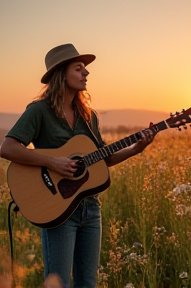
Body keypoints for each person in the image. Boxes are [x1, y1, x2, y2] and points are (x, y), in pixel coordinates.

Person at [0, 43, 155, 288]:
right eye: (79, 68)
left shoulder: (88, 116)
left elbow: (102, 158)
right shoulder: (39, 111)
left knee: (87, 282)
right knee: (58, 284)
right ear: (61, 73)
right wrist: (54, 162)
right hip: (57, 209)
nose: (86, 73)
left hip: (90, 210)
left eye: (85, 69)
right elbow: (7, 148)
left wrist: (136, 149)